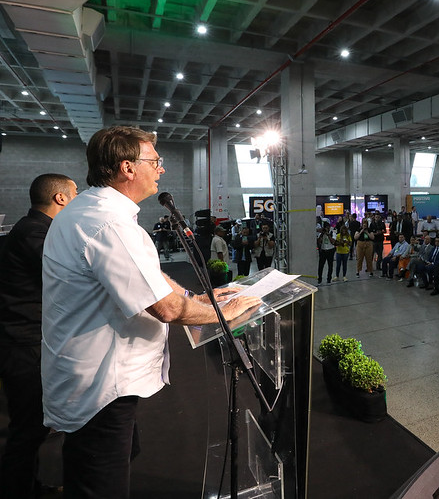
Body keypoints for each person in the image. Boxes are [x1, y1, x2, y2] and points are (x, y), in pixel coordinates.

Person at [40, 126, 261, 498]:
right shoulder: (108, 223)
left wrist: (200, 296)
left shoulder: (95, 210)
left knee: (110, 462)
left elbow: (149, 279)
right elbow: (168, 308)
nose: (161, 169)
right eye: (155, 162)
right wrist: (230, 313)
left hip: (95, 376)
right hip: (101, 385)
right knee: (101, 484)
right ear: (128, 167)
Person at [0, 173, 77, 499]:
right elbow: (70, 275)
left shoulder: (34, 229)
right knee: (27, 429)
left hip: (28, 341)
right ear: (60, 198)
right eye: (75, 193)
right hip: (23, 345)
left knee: (31, 427)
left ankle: (27, 487)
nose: (78, 198)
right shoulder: (35, 232)